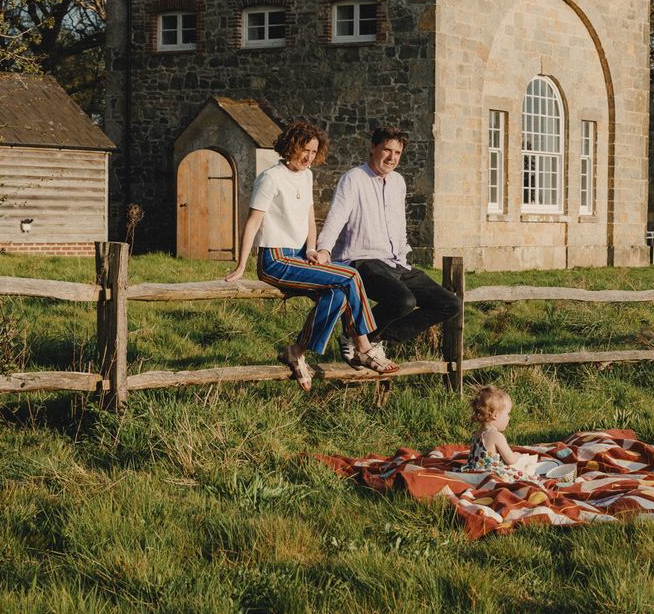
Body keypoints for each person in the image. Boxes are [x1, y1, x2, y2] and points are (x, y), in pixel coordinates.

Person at [224, 120, 399, 389]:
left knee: (337, 295)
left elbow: (309, 218)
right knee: (350, 274)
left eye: (314, 152)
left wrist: (311, 248)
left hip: (299, 256)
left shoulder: (307, 175)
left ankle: (296, 351)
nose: (308, 157)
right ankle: (364, 346)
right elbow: (253, 222)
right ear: (290, 147)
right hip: (276, 260)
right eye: (303, 149)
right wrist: (241, 265)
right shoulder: (270, 178)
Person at [311, 125, 461, 363]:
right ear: (373, 148)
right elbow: (336, 217)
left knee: (449, 304)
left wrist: (403, 258)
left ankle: (370, 337)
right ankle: (359, 335)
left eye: (398, 153)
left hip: (395, 262)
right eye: (387, 150)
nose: (392, 158)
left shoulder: (398, 182)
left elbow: (398, 224)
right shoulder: (354, 179)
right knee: (404, 301)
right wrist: (323, 250)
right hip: (361, 260)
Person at [465, 385, 535, 481]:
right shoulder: (497, 436)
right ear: (495, 415)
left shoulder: (477, 433)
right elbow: (510, 459)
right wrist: (517, 455)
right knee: (523, 476)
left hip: (473, 472)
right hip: (489, 474)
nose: (509, 417)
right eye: (507, 414)